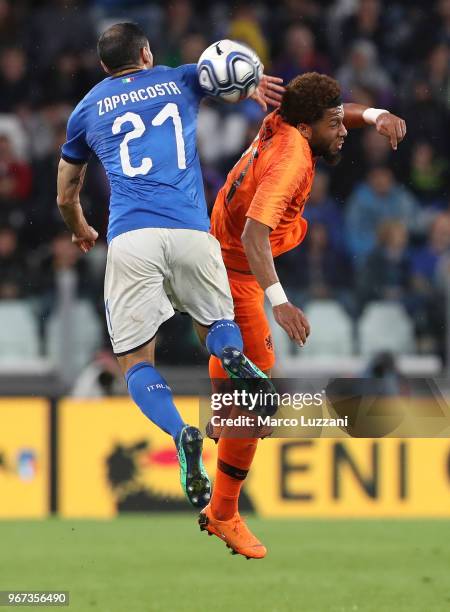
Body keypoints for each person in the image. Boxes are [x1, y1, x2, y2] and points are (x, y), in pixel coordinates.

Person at [56, 23, 282, 511]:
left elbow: (65, 191)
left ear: (103, 66)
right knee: (217, 328)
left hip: (132, 236)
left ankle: (181, 433)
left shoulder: (87, 108)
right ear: (146, 52)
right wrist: (251, 83)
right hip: (190, 232)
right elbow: (224, 76)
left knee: (136, 360)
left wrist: (79, 228)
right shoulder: (178, 79)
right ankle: (235, 357)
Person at [201, 72, 406, 558]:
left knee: (243, 392)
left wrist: (376, 115)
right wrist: (282, 302)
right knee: (258, 403)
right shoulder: (291, 160)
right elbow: (255, 236)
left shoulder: (287, 122)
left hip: (222, 245)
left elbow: (337, 113)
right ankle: (223, 512)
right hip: (239, 268)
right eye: (335, 123)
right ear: (310, 127)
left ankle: (223, 402)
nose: (343, 129)